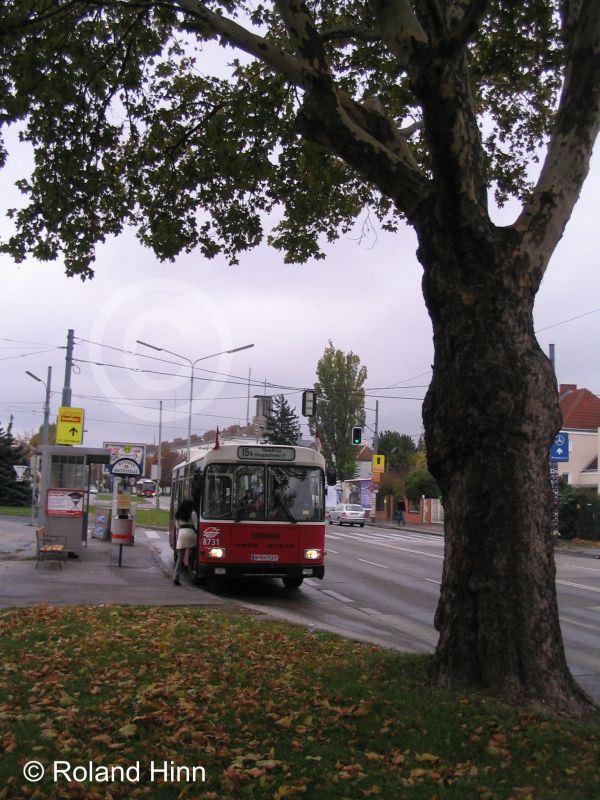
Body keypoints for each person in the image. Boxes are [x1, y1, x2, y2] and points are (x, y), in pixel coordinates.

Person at [173, 499, 198, 586]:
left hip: (181, 534)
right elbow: (196, 526)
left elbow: (177, 526)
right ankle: (192, 569)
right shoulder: (193, 513)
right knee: (195, 552)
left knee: (180, 557)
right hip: (191, 534)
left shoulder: (178, 514)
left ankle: (176, 576)